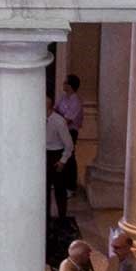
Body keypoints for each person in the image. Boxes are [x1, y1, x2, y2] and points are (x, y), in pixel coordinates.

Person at [53, 74, 85, 203]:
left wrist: (58, 119)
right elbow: (55, 110)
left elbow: (67, 120)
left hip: (70, 132)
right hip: (61, 130)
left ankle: (71, 187)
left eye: (65, 82)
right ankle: (60, 182)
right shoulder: (63, 97)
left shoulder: (76, 101)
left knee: (69, 157)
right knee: (60, 155)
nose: (63, 84)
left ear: (70, 86)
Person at [44, 99, 75, 221]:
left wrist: (63, 160)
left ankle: (62, 218)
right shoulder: (37, 118)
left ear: (50, 108)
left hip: (57, 155)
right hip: (44, 154)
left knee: (59, 189)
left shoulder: (59, 121)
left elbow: (69, 145)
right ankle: (45, 218)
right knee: (44, 189)